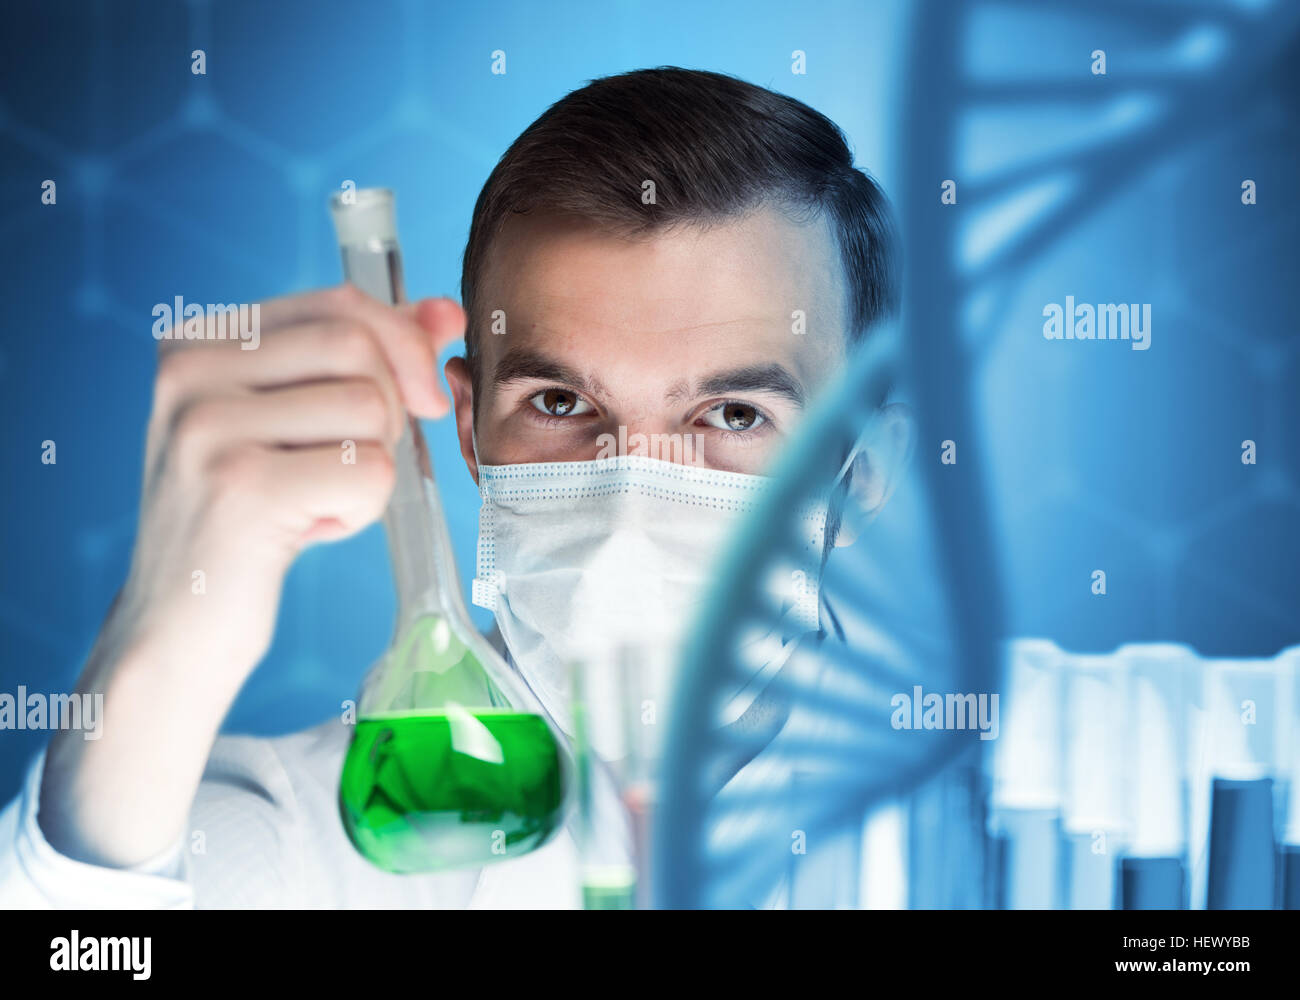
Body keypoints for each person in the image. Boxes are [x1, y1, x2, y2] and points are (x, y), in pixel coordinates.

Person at [0, 66, 903, 908]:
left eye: (735, 415)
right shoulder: (335, 833)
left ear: (859, 472)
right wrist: (162, 645)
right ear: (468, 429)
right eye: (559, 402)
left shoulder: (1020, 789)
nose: (633, 508)